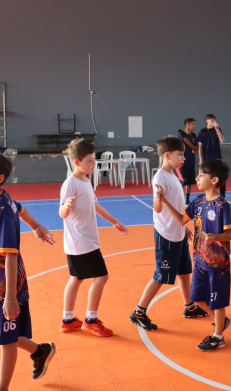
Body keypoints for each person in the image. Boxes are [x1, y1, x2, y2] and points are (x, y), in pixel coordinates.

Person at [0, 150, 57, 391]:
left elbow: (11, 255)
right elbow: (19, 207)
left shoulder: (1, 211)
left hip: (6, 288)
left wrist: (10, 297)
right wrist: (36, 226)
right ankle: (40, 351)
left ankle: (3, 388)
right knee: (1, 333)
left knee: (6, 340)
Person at [129, 137, 208, 331]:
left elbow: (177, 205)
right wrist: (160, 199)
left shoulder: (174, 175)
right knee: (160, 276)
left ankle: (189, 306)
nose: (183, 158)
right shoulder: (160, 177)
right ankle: (139, 312)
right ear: (167, 155)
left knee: (184, 272)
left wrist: (183, 227)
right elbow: (157, 208)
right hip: (166, 235)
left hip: (178, 232)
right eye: (180, 155)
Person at [157, 160, 231, 352]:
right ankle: (221, 321)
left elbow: (229, 234)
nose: (197, 178)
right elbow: (182, 219)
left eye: (201, 175)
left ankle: (218, 337)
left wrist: (215, 237)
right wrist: (165, 201)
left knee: (216, 302)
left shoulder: (222, 205)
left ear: (214, 180)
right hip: (199, 260)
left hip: (217, 264)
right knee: (197, 300)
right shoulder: (198, 201)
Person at [59, 138, 129, 337]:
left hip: (83, 240)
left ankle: (68, 320)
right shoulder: (70, 184)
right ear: (77, 162)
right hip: (81, 241)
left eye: (94, 159)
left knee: (76, 278)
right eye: (89, 161)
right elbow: (61, 213)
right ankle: (91, 320)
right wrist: (66, 206)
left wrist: (114, 221)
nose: (93, 164)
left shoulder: (86, 180)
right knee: (102, 276)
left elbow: (95, 205)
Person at [198, 114, 227, 199]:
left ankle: (223, 196)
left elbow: (222, 140)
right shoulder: (202, 131)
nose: (214, 121)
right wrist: (201, 159)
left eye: (214, 120)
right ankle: (210, 195)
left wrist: (217, 129)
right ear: (207, 121)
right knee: (208, 177)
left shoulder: (217, 129)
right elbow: (200, 146)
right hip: (207, 158)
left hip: (217, 157)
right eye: (212, 120)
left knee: (221, 176)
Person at [177, 118, 199, 206]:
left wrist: (188, 142)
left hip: (191, 161)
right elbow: (177, 149)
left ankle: (187, 200)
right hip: (183, 162)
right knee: (182, 182)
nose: (195, 126)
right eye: (193, 124)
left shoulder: (193, 135)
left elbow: (196, 149)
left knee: (189, 182)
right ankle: (178, 199)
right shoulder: (181, 135)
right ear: (188, 124)